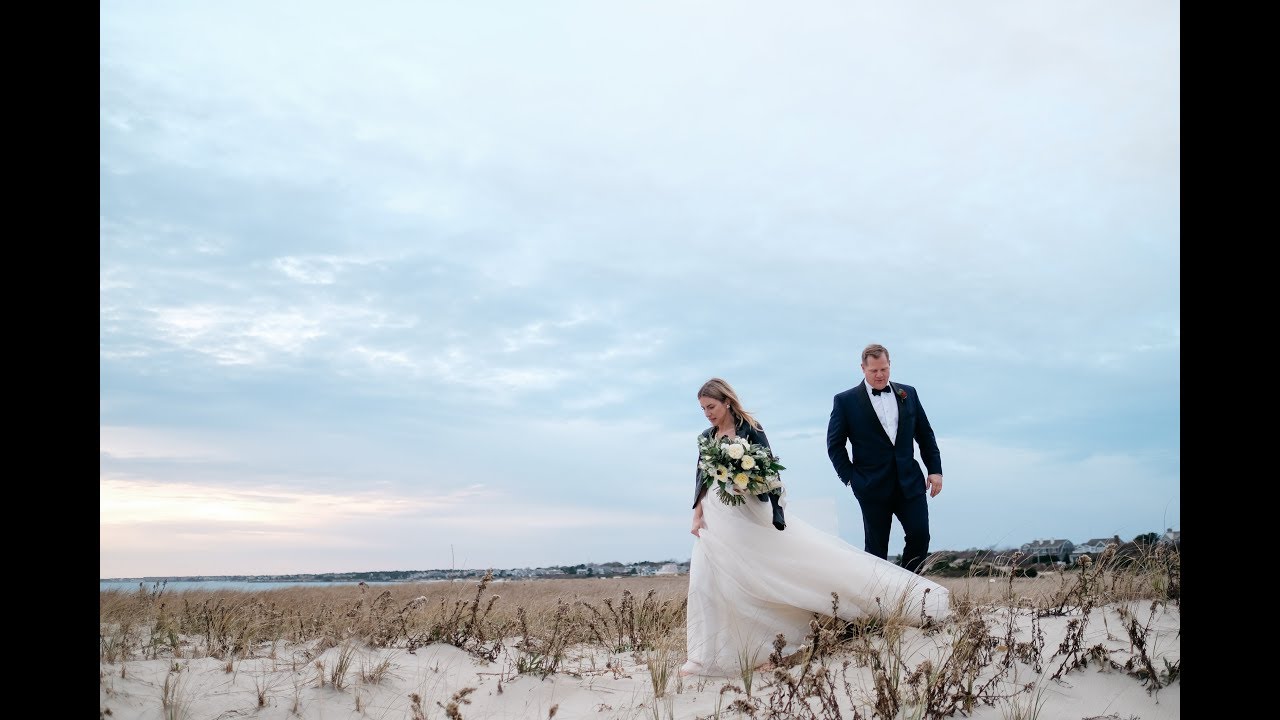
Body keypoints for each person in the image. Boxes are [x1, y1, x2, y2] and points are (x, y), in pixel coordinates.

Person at [683, 377, 950, 678]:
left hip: (748, 513)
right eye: (703, 409)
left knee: (764, 574)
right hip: (715, 517)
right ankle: (704, 655)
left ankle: (895, 599)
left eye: (711, 407)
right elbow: (702, 477)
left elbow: (769, 472)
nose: (707, 413)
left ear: (727, 402)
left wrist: (748, 487)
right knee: (708, 580)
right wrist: (697, 514)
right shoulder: (706, 437)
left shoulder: (751, 429)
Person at [826, 343, 944, 574]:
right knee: (876, 549)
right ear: (863, 368)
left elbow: (925, 434)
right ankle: (877, 599)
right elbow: (835, 445)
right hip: (871, 485)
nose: (880, 375)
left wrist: (935, 470)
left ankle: (908, 588)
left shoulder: (908, 393)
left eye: (884, 369)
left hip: (910, 482)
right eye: (874, 371)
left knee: (920, 535)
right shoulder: (845, 401)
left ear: (890, 365)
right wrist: (851, 478)